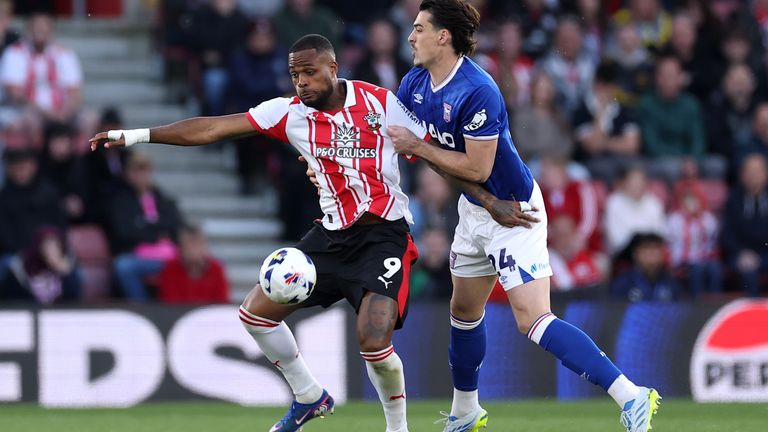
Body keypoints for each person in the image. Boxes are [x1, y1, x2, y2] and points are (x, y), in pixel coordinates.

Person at [90, 34, 529, 432]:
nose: (301, 82)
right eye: (295, 74)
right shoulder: (288, 114)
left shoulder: (381, 104)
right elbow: (212, 128)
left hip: (383, 237)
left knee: (373, 341)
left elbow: (434, 155)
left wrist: (489, 201)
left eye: (309, 72)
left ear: (334, 68)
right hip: (330, 239)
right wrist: (135, 135)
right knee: (253, 315)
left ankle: (398, 429)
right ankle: (308, 396)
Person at [389, 1, 659, 431]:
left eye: (419, 28)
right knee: (462, 310)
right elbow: (399, 144)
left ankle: (631, 395)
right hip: (477, 208)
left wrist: (420, 148)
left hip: (515, 211)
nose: (410, 35)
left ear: (444, 36)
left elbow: (474, 165)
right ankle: (465, 412)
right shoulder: (414, 83)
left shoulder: (478, 89)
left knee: (531, 319)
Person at [157, 223, 229, 304]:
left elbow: (222, 303)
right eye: (189, 246)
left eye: (197, 245)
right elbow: (169, 303)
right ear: (181, 248)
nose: (193, 251)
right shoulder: (170, 268)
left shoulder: (217, 269)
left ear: (205, 247)